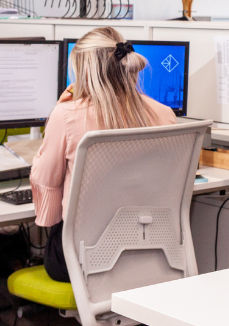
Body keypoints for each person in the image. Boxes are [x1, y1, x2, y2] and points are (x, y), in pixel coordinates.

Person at [30, 27, 177, 282]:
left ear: (85, 71)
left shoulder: (66, 115)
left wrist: (59, 108)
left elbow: (45, 181)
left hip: (81, 258)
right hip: (151, 249)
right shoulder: (164, 113)